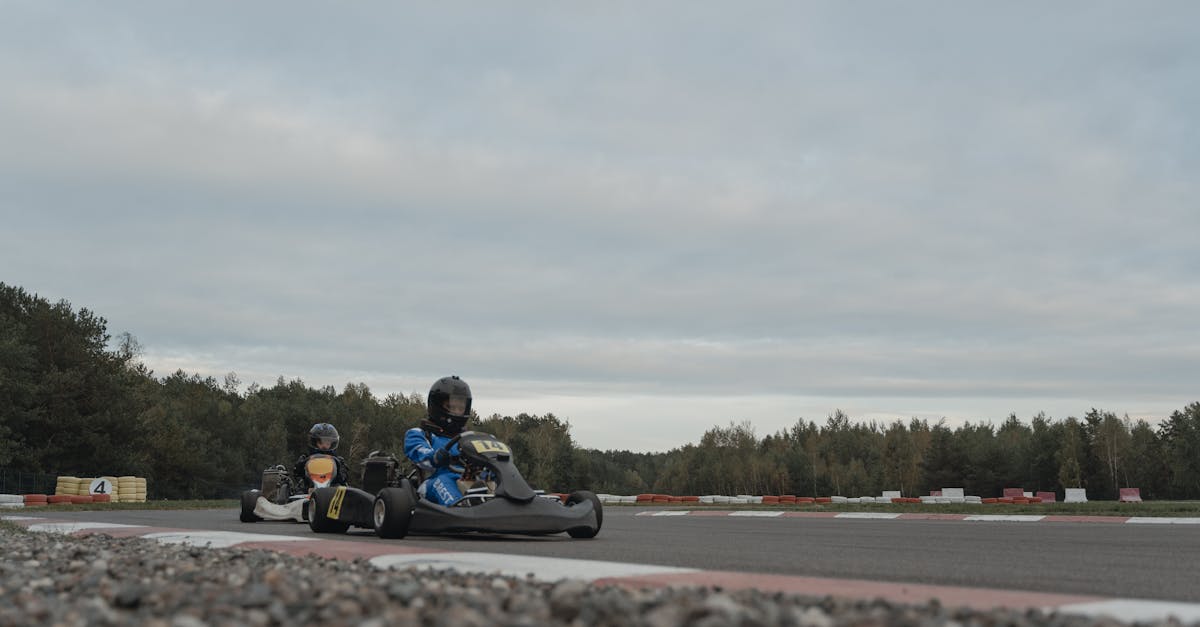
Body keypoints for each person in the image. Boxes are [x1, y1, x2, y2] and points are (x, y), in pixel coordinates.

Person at [404, 375, 473, 505]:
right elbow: (420, 455)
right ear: (437, 406)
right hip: (432, 484)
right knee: (443, 481)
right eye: (452, 407)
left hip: (469, 481)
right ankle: (459, 510)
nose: (457, 412)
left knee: (497, 479)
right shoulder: (420, 434)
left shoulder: (469, 438)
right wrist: (435, 457)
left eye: (461, 408)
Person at [293, 422, 349, 490]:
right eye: (321, 442)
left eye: (327, 443)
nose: (324, 446)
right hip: (308, 490)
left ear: (332, 444)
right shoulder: (305, 458)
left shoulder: (338, 460)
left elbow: (344, 478)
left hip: (333, 491)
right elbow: (297, 473)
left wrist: (340, 468)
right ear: (314, 442)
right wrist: (302, 464)